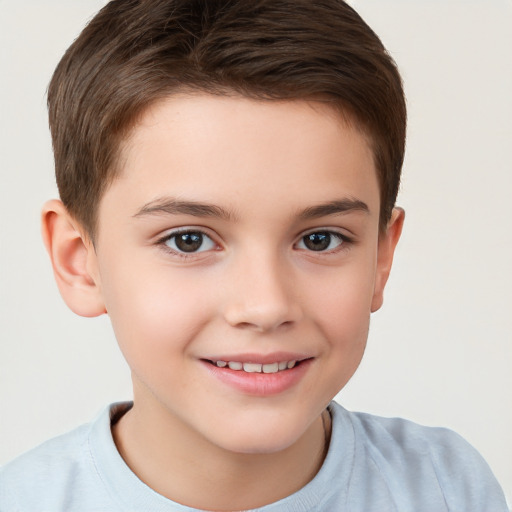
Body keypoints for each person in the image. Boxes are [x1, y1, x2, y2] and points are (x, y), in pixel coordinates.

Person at [0, 0, 507, 510]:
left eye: (319, 239)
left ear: (380, 257)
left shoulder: (447, 488)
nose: (266, 306)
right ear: (77, 261)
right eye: (188, 240)